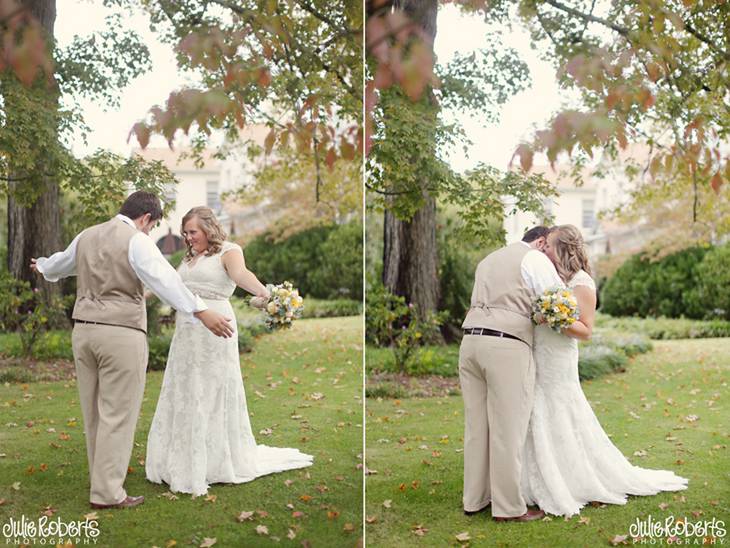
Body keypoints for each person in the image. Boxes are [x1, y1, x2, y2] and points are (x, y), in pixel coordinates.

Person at [31, 191, 234, 509]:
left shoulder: (87, 235)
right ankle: (108, 493)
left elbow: (60, 264)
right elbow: (166, 280)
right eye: (151, 227)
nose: (149, 232)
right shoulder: (136, 241)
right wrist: (201, 311)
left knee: (94, 413)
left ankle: (102, 483)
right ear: (146, 219)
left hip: (83, 331)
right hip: (120, 333)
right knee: (117, 413)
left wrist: (42, 268)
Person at [521, 224, 688, 516]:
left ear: (563, 248)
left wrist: (552, 317)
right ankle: (535, 478)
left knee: (561, 410)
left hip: (559, 360)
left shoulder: (582, 282)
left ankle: (572, 478)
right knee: (539, 411)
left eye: (548, 245)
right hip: (541, 356)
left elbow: (585, 330)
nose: (543, 248)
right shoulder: (555, 278)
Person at [145, 206, 313, 496]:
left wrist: (266, 294)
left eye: (192, 232)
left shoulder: (229, 251)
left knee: (211, 390)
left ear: (209, 228)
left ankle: (214, 462)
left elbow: (241, 274)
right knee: (184, 390)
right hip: (186, 332)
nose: (188, 238)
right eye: (185, 232)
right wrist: (136, 294)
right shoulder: (187, 258)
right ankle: (181, 459)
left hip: (216, 328)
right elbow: (169, 285)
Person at [459, 226, 564, 522]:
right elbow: (554, 301)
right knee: (508, 429)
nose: (552, 257)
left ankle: (474, 499)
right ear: (541, 242)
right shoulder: (534, 259)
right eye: (551, 249)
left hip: (470, 342)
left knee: (476, 427)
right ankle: (508, 508)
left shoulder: (489, 259)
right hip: (505, 345)